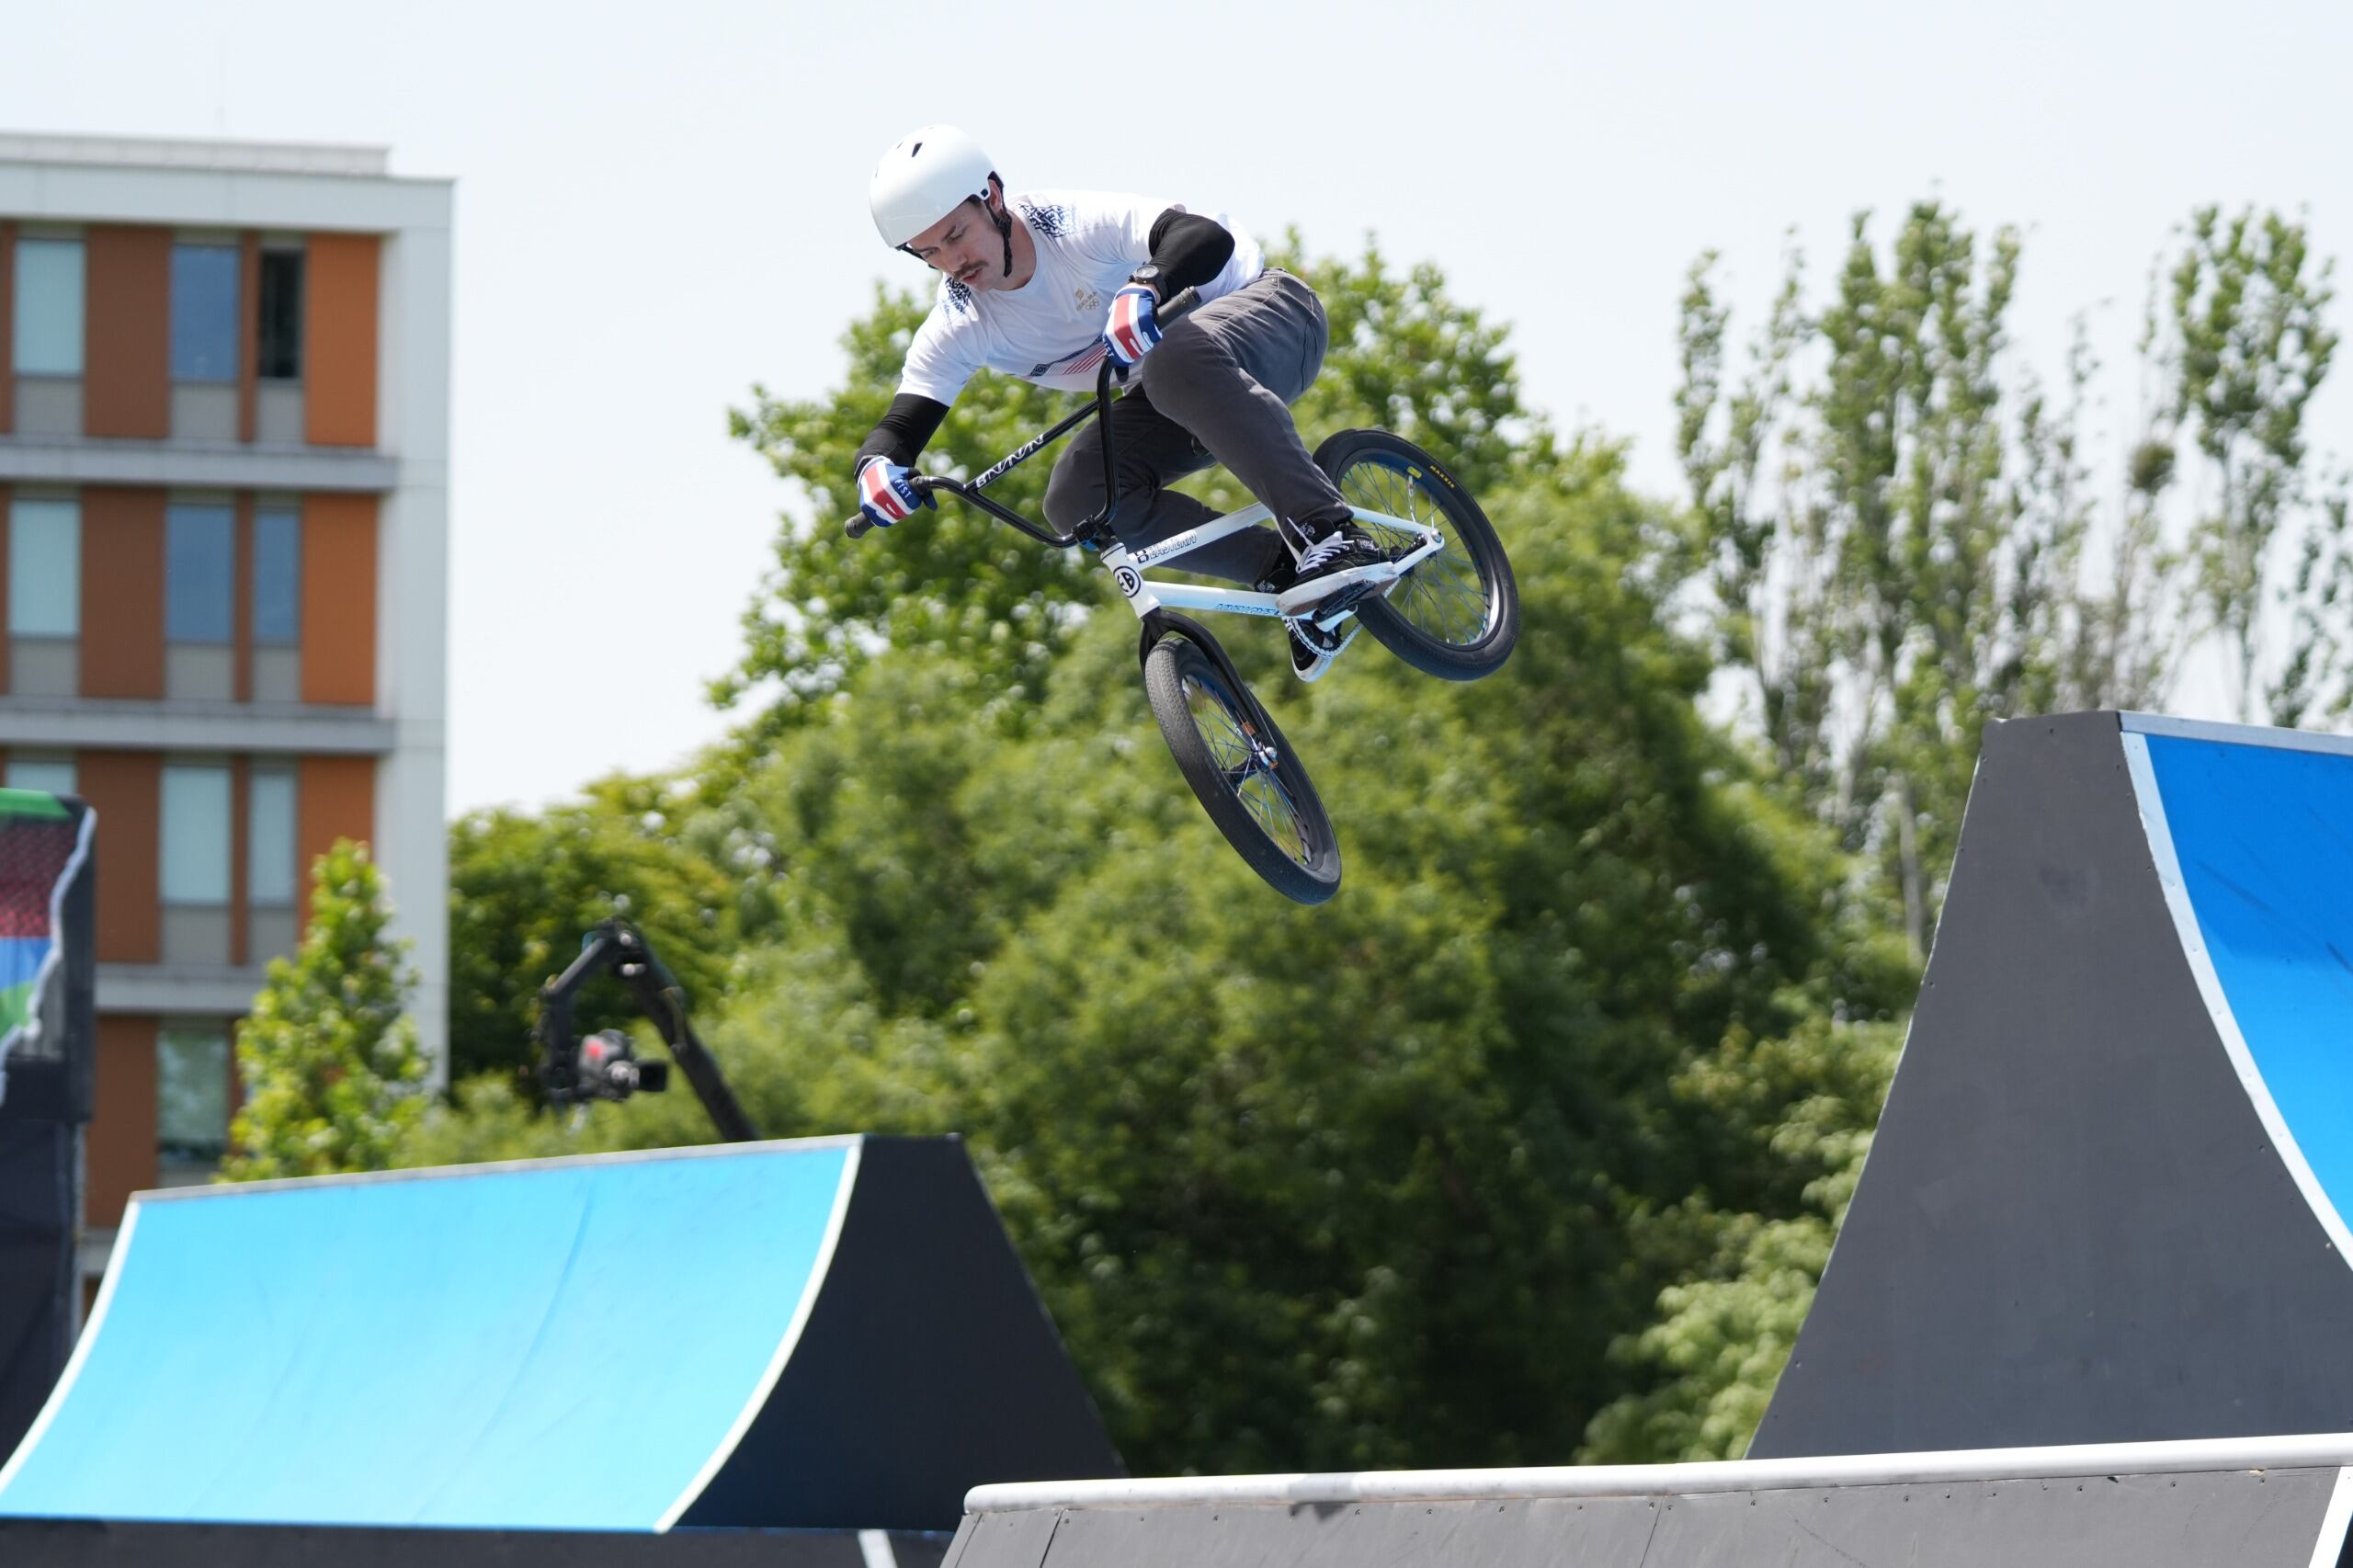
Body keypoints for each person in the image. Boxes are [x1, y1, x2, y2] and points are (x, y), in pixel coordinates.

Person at [852, 124, 1394, 681]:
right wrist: (875, 468)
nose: (952, 261)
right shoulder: (960, 322)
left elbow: (1204, 236)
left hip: (1275, 319)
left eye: (956, 233)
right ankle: (1285, 572)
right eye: (929, 253)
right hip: (1184, 392)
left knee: (1168, 358)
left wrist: (1147, 286)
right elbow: (901, 424)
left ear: (991, 196)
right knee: (1078, 497)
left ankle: (1334, 534)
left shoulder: (1065, 224)